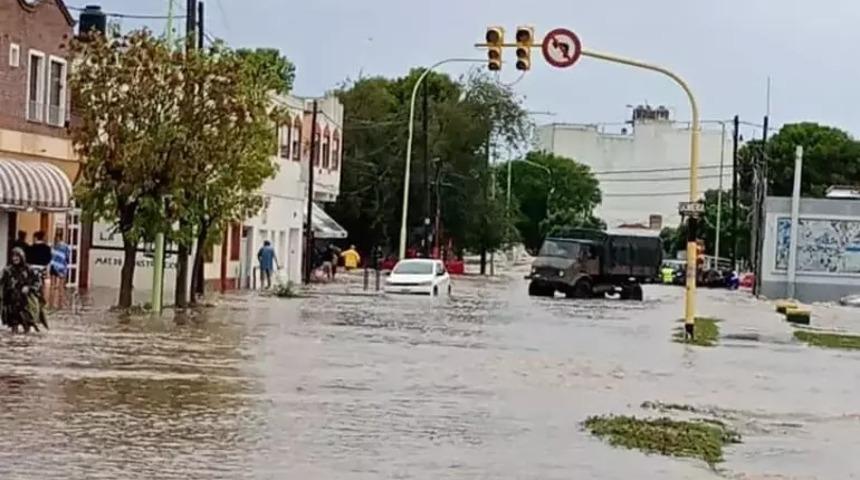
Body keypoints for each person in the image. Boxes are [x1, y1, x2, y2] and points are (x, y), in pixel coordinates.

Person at [0, 248, 45, 333]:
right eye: (13, 256)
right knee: (14, 325)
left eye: (17, 256)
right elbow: (2, 285)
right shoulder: (7, 270)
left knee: (27, 324)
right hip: (11, 302)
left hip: (25, 303)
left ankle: (25, 343)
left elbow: (37, 283)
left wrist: (29, 287)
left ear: (22, 257)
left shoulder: (28, 269)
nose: (15, 258)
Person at [49, 231, 72, 308]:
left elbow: (51, 256)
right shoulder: (66, 246)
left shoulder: (53, 246)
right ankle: (60, 305)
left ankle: (51, 304)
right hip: (62, 267)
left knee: (52, 286)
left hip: (53, 266)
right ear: (62, 237)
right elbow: (68, 257)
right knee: (61, 287)